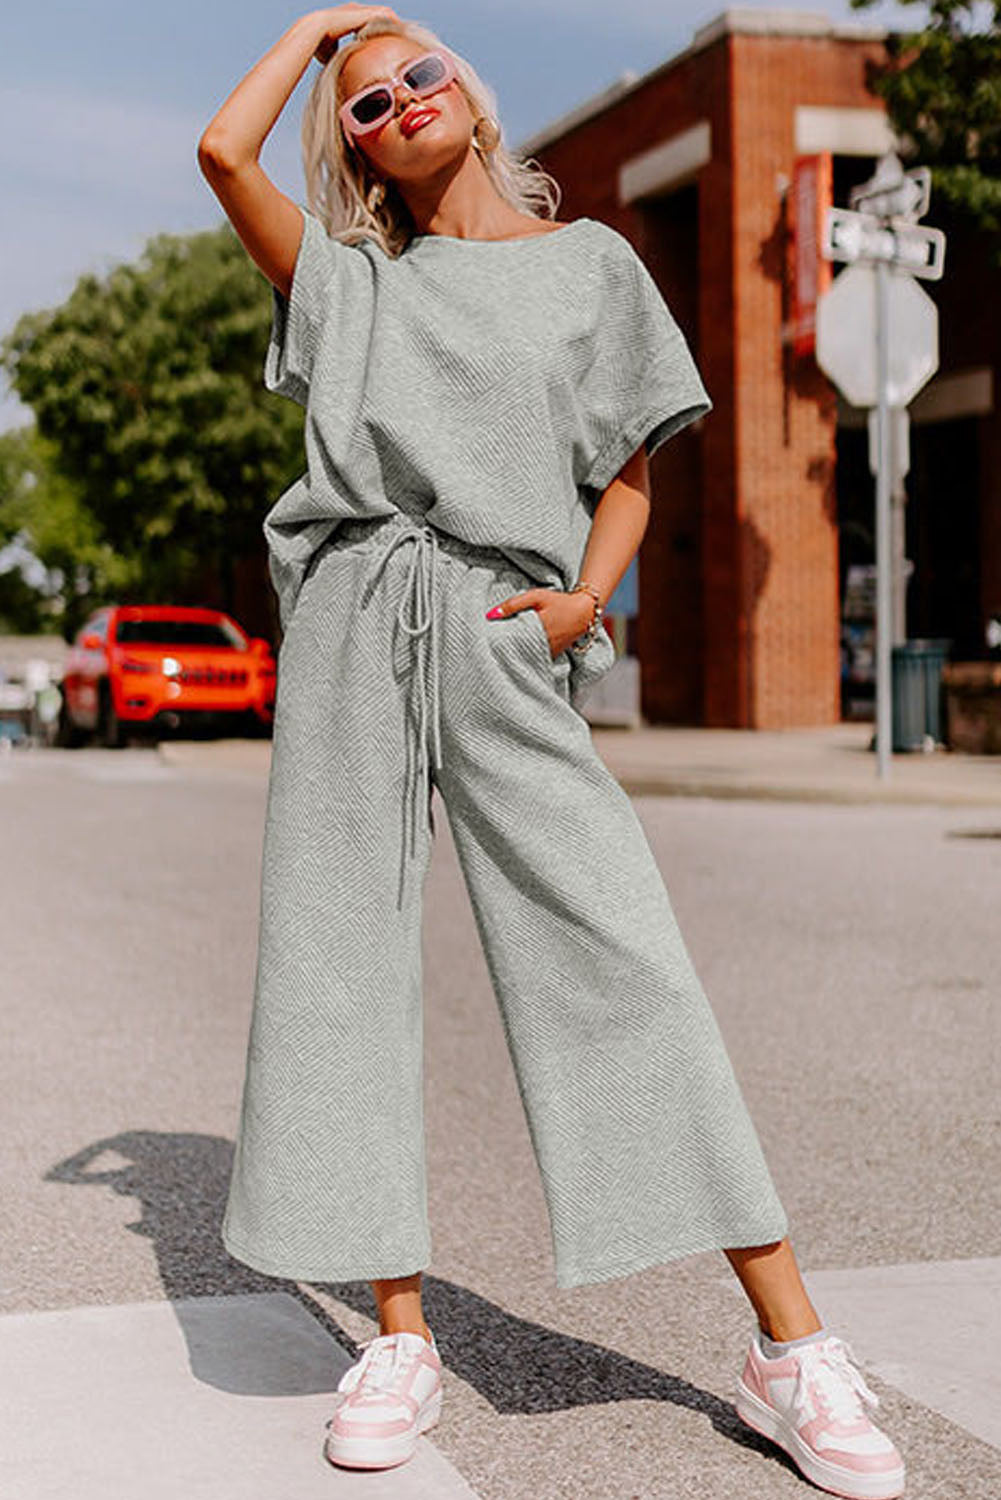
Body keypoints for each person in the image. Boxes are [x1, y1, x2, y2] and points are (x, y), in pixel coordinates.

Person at [197, 10, 906, 1496]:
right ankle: (398, 1334)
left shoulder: (592, 264)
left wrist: (582, 603)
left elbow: (628, 473)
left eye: (417, 73)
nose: (396, 101)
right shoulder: (350, 280)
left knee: (618, 949)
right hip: (353, 616)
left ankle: (785, 1345)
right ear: (356, 150)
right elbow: (218, 149)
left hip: (505, 622)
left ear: (467, 89)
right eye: (368, 103)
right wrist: (319, 28)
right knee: (341, 963)